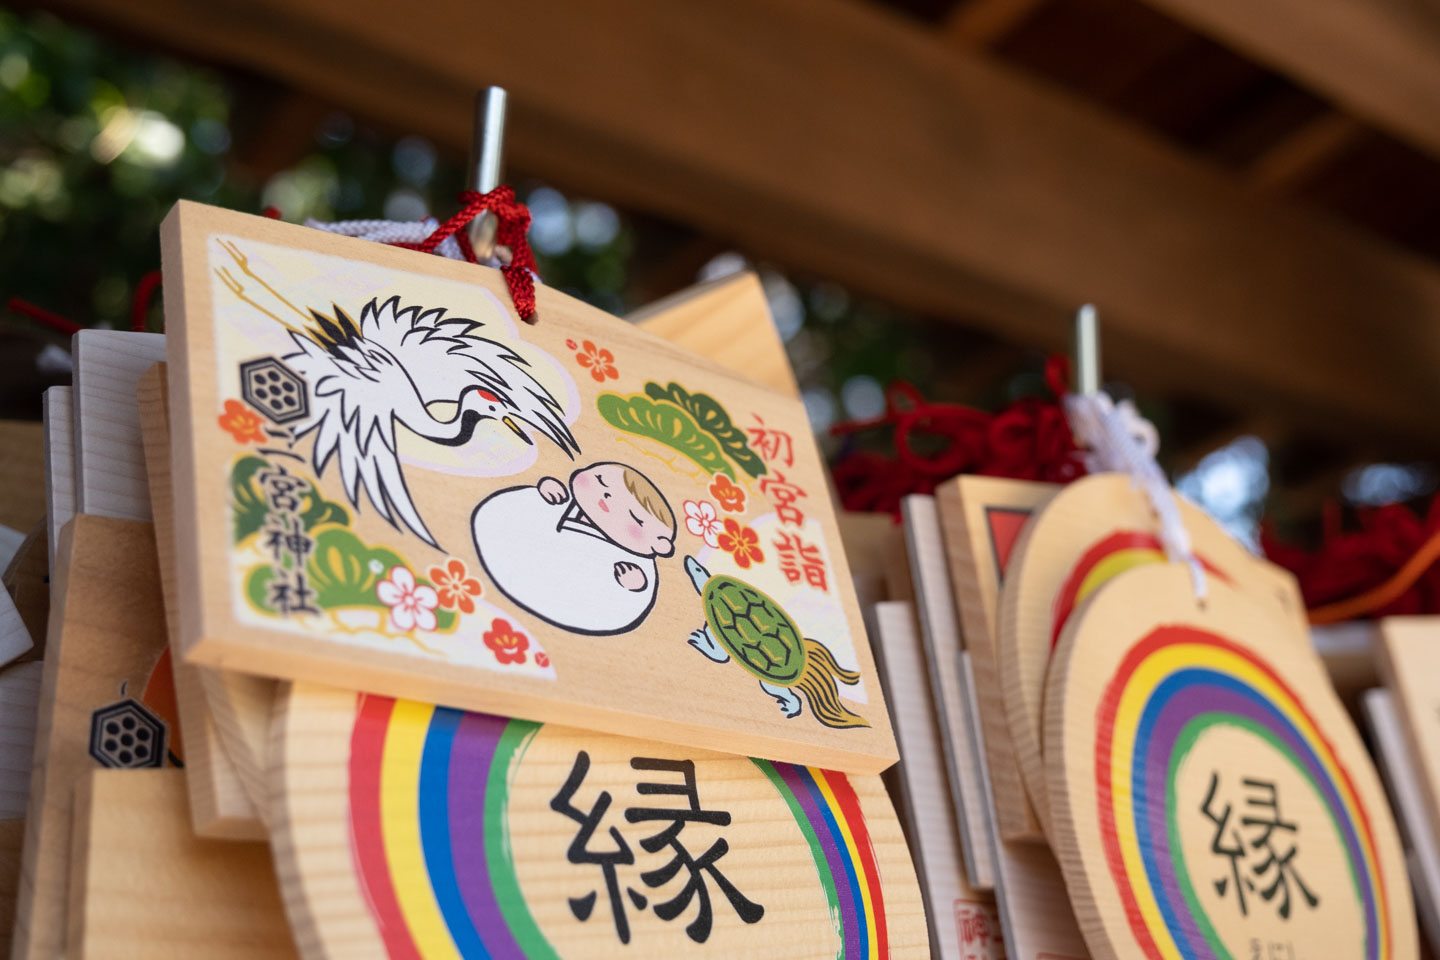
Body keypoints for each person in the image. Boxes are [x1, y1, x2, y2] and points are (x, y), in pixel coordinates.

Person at [472, 462, 676, 635]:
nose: (606, 499)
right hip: (514, 563)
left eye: (634, 517)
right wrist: (546, 491)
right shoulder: (567, 503)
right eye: (600, 482)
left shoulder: (636, 563)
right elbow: (523, 510)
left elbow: (624, 606)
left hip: (568, 599)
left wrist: (635, 586)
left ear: (659, 545)